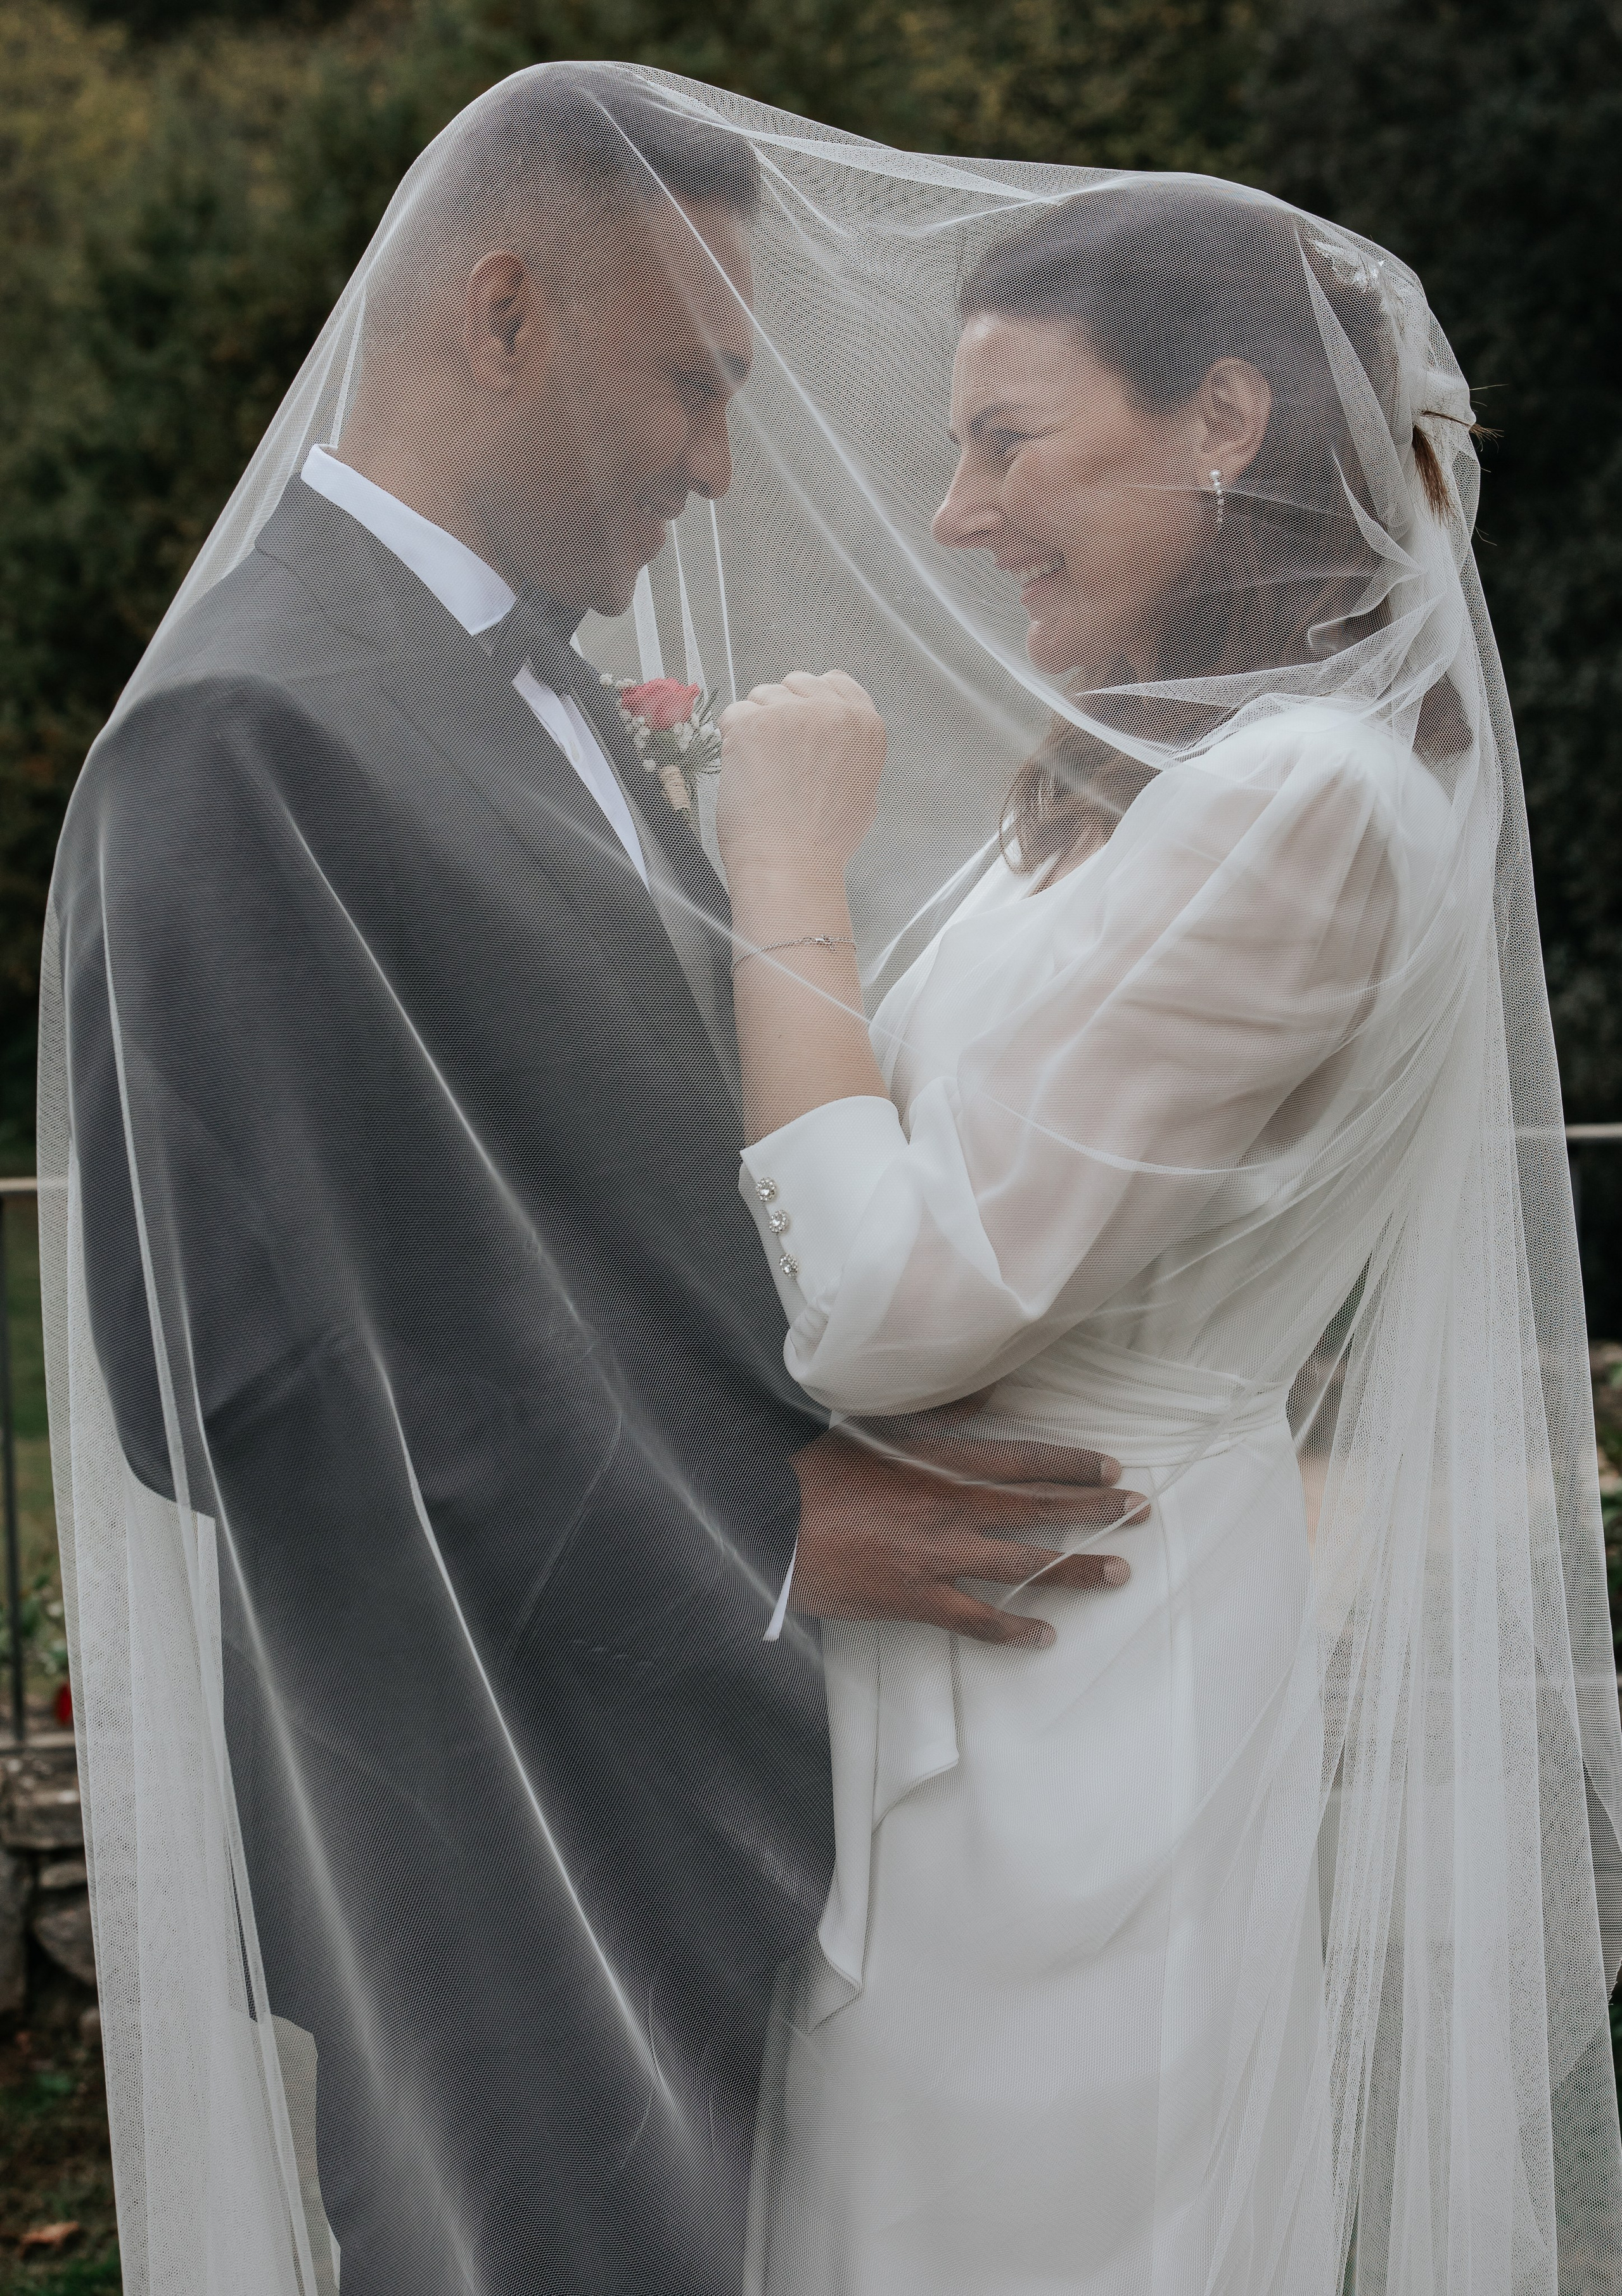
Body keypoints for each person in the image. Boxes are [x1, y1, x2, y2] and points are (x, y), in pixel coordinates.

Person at [41, 70, 1140, 2296]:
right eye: (694, 383)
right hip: (486, 1861)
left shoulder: (537, 688)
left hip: (712, 1801)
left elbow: (623, 1214)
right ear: (509, 312)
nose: (724, 463)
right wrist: (762, 1525)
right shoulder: (236, 739)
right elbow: (230, 1370)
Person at [717, 184, 1622, 2292]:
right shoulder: (1154, 787)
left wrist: (785, 877)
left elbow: (887, 1304)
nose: (954, 515)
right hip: (980, 1643)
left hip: (1074, 1675)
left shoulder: (1300, 809)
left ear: (1224, 418)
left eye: (1008, 441)